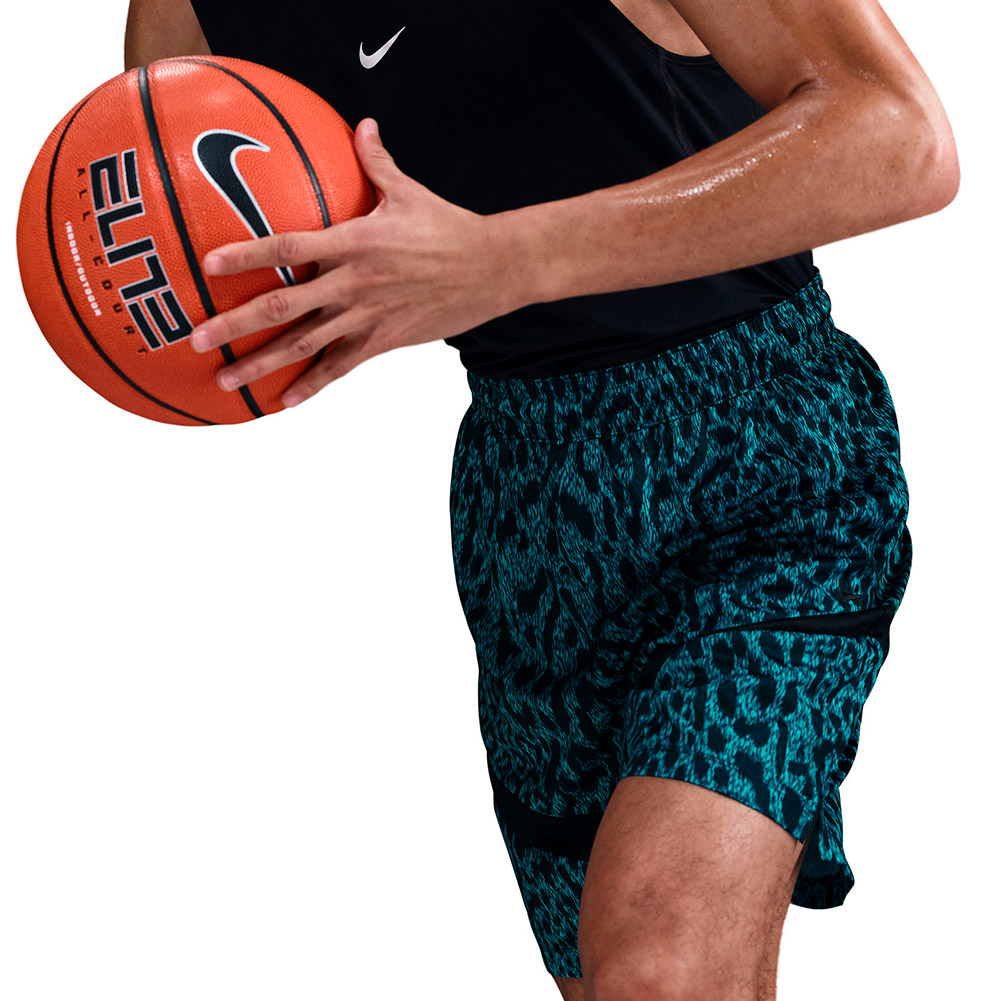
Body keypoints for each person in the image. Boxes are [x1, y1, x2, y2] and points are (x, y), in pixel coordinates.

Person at [125, 1, 958, 997]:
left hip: (759, 458)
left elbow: (898, 135)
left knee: (658, 971)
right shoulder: (182, 16)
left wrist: (506, 258)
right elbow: (180, 256)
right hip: (527, 512)